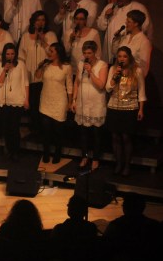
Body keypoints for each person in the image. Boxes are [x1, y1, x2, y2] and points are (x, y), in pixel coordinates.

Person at [105, 46, 146, 176]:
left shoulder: (137, 71)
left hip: (130, 107)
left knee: (126, 137)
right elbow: (107, 88)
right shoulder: (113, 69)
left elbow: (142, 91)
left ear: (129, 57)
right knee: (115, 136)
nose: (121, 59)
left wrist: (141, 109)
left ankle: (127, 165)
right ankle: (118, 163)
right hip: (114, 107)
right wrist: (115, 76)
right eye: (119, 56)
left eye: (124, 56)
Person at [18, 10, 58, 134]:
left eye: (43, 20)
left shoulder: (50, 35)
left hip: (45, 78)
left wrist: (43, 41)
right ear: (33, 22)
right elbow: (21, 57)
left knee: (44, 107)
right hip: (30, 77)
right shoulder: (25, 36)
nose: (40, 22)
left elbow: (55, 54)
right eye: (38, 20)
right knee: (33, 106)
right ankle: (34, 130)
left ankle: (44, 133)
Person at [71, 41, 108, 170]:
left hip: (96, 103)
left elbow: (101, 85)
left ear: (95, 52)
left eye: (89, 53)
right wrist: (74, 100)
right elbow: (77, 82)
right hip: (82, 102)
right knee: (83, 133)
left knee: (96, 133)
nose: (87, 55)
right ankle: (85, 156)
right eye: (85, 53)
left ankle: (96, 159)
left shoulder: (102, 65)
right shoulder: (81, 64)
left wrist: (91, 71)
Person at [95, 0, 153, 64]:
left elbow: (146, 29)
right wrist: (105, 16)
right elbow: (100, 26)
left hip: (130, 54)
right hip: (110, 52)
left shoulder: (139, 7)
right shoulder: (110, 7)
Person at [35, 42, 73, 164]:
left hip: (60, 100)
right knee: (46, 130)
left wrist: (70, 102)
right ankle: (46, 153)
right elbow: (37, 76)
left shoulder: (67, 67)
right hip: (46, 99)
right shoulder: (46, 65)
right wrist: (41, 66)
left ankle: (57, 153)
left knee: (58, 131)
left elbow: (70, 86)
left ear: (58, 52)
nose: (49, 53)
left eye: (52, 51)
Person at [0, 43, 30, 161]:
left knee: (14, 127)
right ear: (4, 54)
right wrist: (4, 70)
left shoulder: (21, 65)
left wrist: (26, 99)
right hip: (3, 101)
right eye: (8, 54)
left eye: (12, 54)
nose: (10, 56)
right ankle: (8, 149)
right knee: (6, 127)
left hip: (17, 100)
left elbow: (25, 83)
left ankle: (15, 151)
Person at [118, 9, 152, 78]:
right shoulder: (125, 37)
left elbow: (144, 66)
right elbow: (116, 53)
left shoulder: (144, 41)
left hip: (132, 78)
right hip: (120, 75)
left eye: (129, 22)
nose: (126, 23)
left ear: (136, 24)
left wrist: (135, 79)